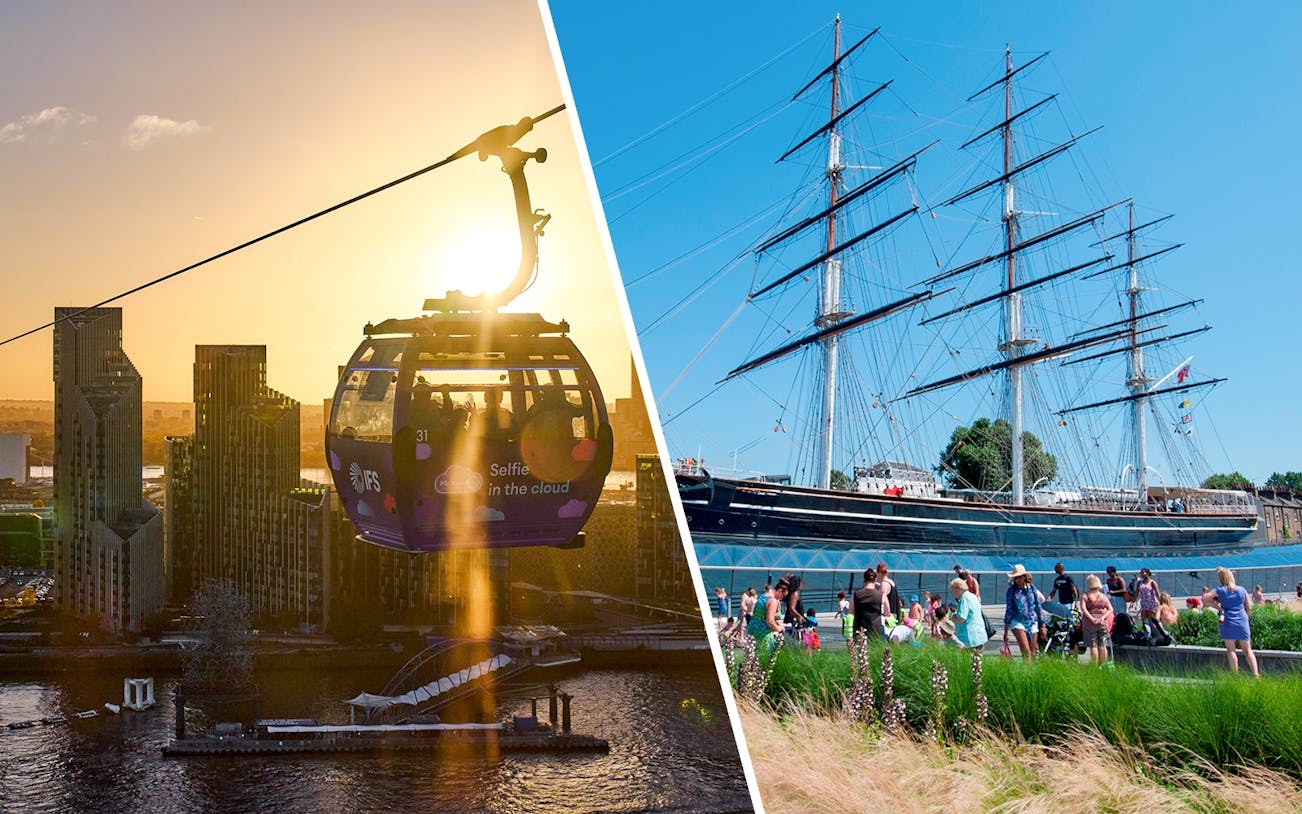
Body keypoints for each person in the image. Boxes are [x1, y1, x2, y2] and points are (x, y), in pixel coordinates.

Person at [1203, 566, 1259, 677]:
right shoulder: (1242, 589)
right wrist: (1245, 618)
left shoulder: (1220, 590)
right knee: (1247, 650)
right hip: (1242, 620)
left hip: (1228, 620)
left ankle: (1235, 675)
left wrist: (1218, 608)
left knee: (1231, 650)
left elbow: (1205, 599)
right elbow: (1249, 608)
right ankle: (1256, 674)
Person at [1003, 564, 1043, 660]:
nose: (1018, 580)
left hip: (1032, 620)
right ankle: (1027, 670)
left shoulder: (1032, 588)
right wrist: (1006, 629)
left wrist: (1043, 624)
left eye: (1020, 577)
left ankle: (1030, 671)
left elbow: (1038, 606)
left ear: (1024, 577)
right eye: (1016, 578)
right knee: (1026, 650)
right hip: (1018, 620)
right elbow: (1009, 609)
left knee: (1033, 652)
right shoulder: (1011, 591)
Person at [1078, 574, 1114, 666]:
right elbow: (1110, 609)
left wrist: (1091, 618)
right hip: (1102, 623)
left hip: (1089, 623)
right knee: (1102, 645)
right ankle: (1103, 665)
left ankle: (1095, 665)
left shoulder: (1085, 596)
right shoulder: (1103, 596)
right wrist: (1102, 617)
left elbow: (1083, 609)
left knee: (1093, 645)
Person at [748, 578, 790, 653]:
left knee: (752, 656)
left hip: (752, 628)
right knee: (764, 657)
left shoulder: (763, 595)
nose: (782, 598)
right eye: (783, 596)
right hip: (763, 632)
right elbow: (770, 621)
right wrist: (779, 628)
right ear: (780, 591)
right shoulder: (773, 601)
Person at [950, 577, 988, 650]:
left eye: (953, 590)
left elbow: (962, 619)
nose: (953, 593)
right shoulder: (972, 596)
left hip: (969, 637)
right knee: (978, 658)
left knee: (969, 659)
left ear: (957, 588)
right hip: (979, 634)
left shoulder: (964, 599)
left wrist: (952, 617)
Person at [851, 568, 888, 638]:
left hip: (859, 629)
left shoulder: (855, 594)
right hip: (875, 630)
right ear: (875, 580)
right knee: (875, 648)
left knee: (860, 648)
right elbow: (887, 612)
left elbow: (851, 612)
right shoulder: (881, 595)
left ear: (864, 580)